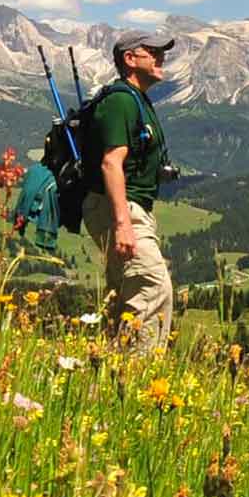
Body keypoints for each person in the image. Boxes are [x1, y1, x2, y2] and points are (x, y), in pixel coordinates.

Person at [84, 31, 177, 350]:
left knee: (125, 294)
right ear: (129, 59)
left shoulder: (137, 98)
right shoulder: (121, 100)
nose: (160, 57)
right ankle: (136, 372)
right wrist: (122, 223)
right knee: (152, 287)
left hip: (129, 207)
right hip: (121, 208)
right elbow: (111, 163)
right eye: (152, 52)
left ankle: (106, 372)